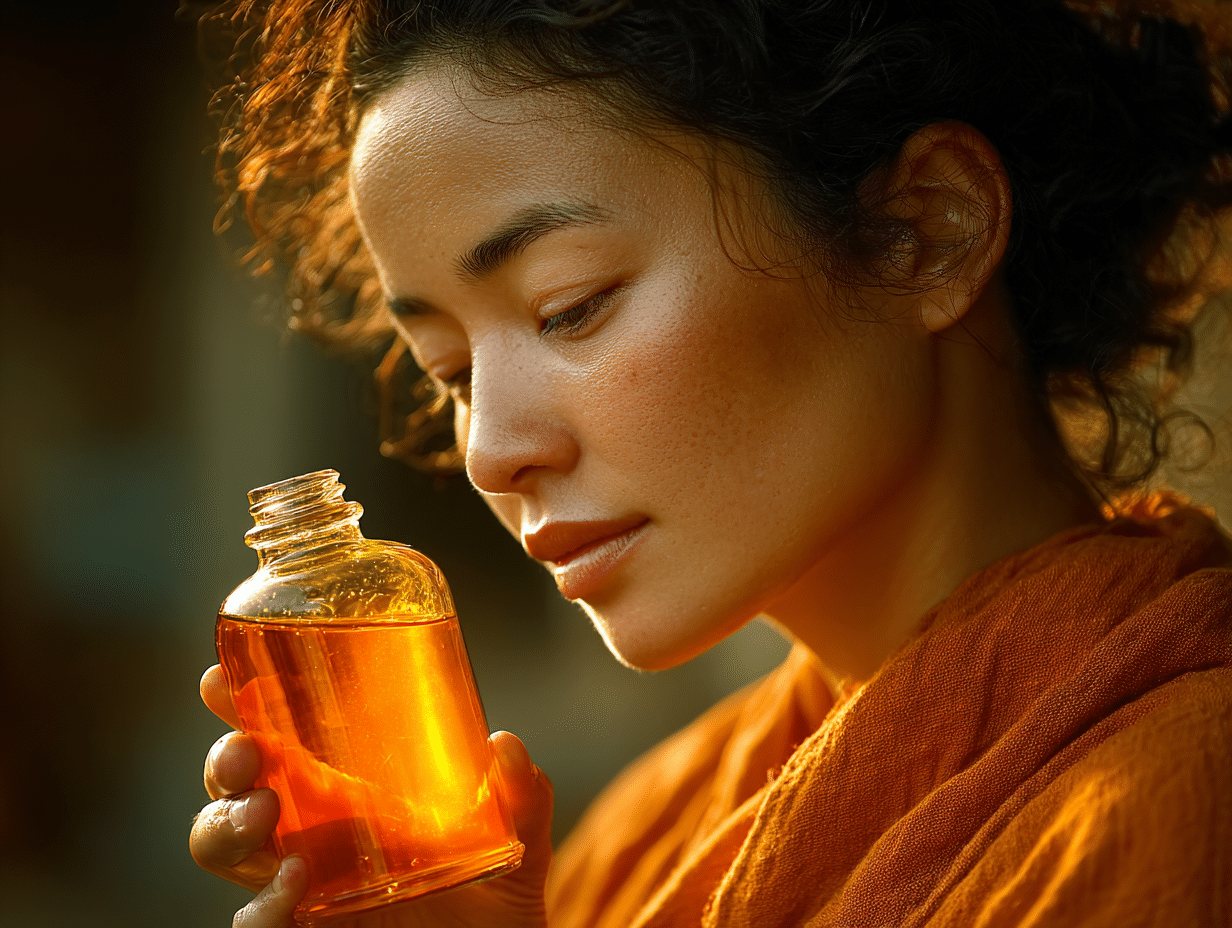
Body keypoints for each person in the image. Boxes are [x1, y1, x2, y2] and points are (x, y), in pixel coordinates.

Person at [189, 0, 1232, 925]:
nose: (491, 453)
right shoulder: (638, 843)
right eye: (450, 369)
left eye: (569, 307)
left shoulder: (1173, 805)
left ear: (923, 230)